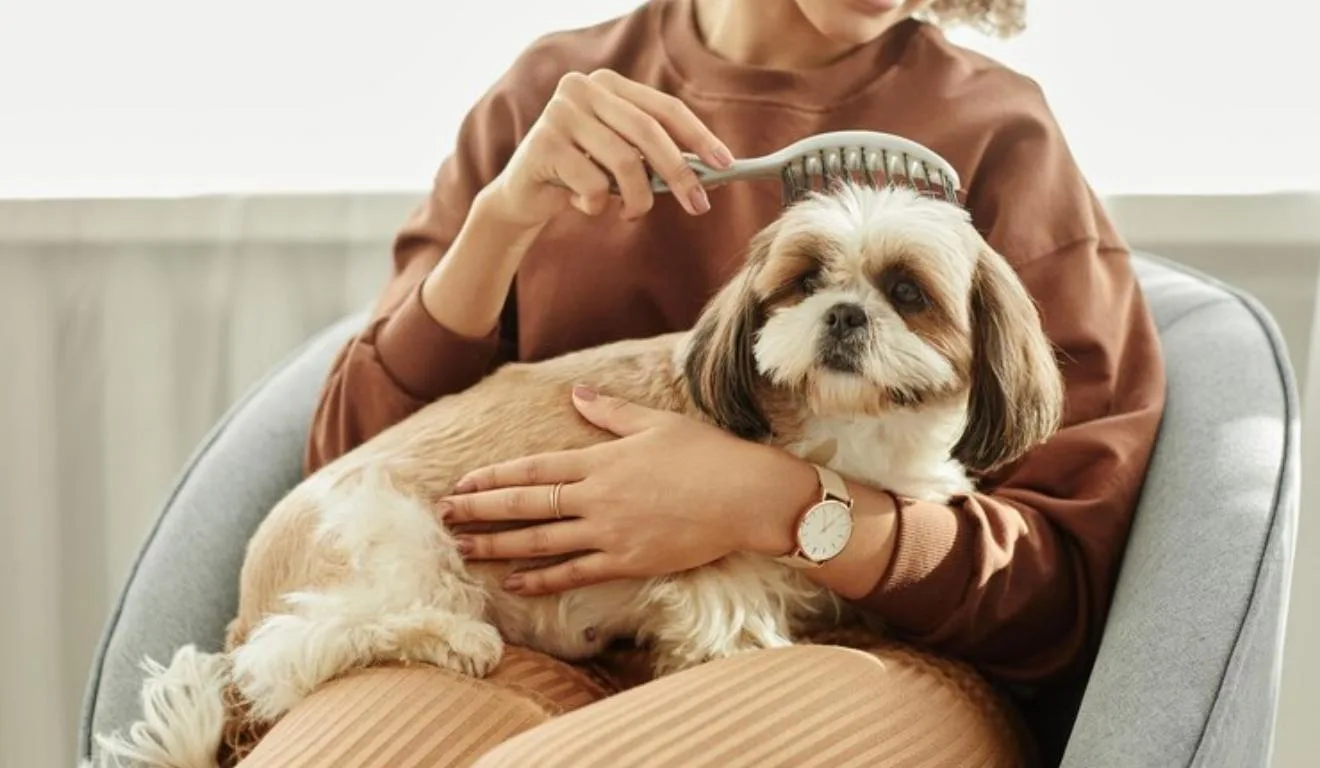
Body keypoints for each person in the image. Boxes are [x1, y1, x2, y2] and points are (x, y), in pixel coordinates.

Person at [239, 0, 1165, 766]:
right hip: (510, 638)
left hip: (863, 657)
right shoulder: (547, 92)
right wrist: (502, 220)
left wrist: (779, 506)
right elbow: (349, 468)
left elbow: (1064, 593)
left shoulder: (1001, 132)